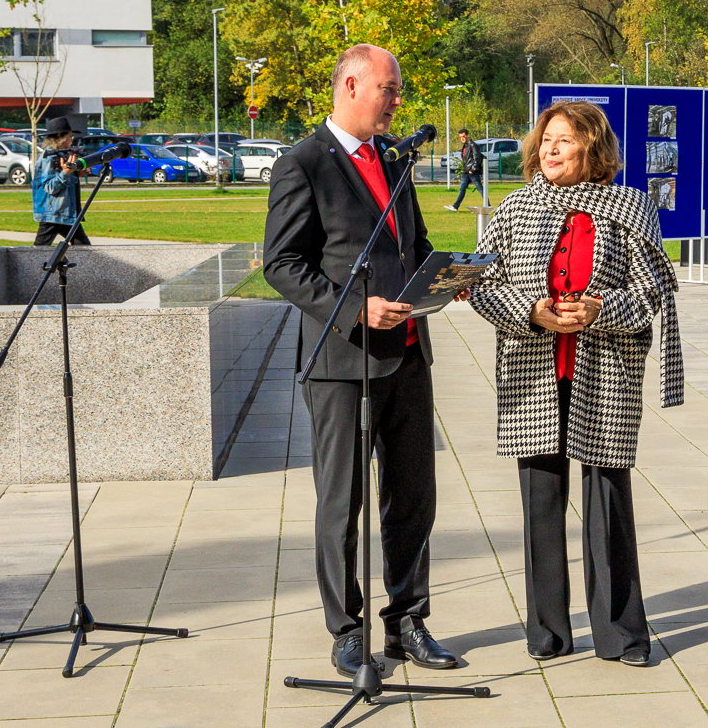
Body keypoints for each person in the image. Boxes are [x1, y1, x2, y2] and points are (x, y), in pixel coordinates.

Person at [264, 44, 459, 678]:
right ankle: (347, 630)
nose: (398, 100)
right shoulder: (302, 163)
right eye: (388, 88)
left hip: (408, 356)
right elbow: (282, 264)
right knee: (340, 503)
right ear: (350, 85)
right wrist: (355, 309)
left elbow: (415, 243)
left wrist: (446, 277)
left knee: (414, 497)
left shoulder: (395, 159)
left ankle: (406, 621)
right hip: (343, 362)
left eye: (397, 89)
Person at [468, 100, 684, 668]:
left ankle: (622, 634)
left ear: (593, 148)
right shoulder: (515, 209)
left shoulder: (630, 207)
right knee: (540, 505)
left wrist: (599, 309)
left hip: (606, 372)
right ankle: (547, 631)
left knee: (608, 502)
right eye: (545, 140)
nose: (550, 149)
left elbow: (651, 292)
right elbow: (482, 286)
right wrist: (531, 311)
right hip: (532, 373)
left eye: (564, 140)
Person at [32, 117, 91, 247]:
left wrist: (77, 173)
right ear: (60, 136)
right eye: (69, 136)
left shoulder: (62, 154)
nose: (71, 140)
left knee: (84, 248)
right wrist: (66, 173)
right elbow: (50, 187)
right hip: (52, 214)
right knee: (38, 251)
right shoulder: (49, 157)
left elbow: (65, 180)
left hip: (66, 213)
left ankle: (61, 260)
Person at [445, 129, 485, 211]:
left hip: (472, 171)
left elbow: (477, 158)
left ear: (467, 135)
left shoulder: (473, 145)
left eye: (463, 136)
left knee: (479, 188)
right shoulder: (465, 146)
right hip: (466, 171)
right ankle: (455, 206)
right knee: (462, 188)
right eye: (460, 137)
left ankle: (487, 205)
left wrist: (473, 169)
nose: (462, 139)